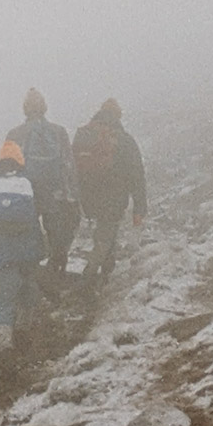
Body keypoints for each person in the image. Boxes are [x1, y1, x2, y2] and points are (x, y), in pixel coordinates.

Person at [0, 140, 45, 351]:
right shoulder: (31, 183)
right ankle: (24, 331)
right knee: (29, 291)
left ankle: (6, 347)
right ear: (20, 160)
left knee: (4, 300)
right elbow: (45, 213)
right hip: (28, 250)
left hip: (1, 254)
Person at [71, 98, 147, 289]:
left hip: (88, 196)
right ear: (118, 115)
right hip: (113, 196)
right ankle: (88, 279)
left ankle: (105, 276)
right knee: (105, 236)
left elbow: (72, 166)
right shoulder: (124, 139)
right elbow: (136, 174)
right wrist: (139, 207)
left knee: (107, 233)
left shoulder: (84, 135)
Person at [5, 88, 79, 278]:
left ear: (25, 109)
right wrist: (71, 193)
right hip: (54, 191)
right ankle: (57, 269)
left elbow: (5, 167)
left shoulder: (15, 134)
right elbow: (68, 164)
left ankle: (29, 275)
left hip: (26, 191)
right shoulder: (58, 131)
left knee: (28, 231)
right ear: (44, 108)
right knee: (56, 232)